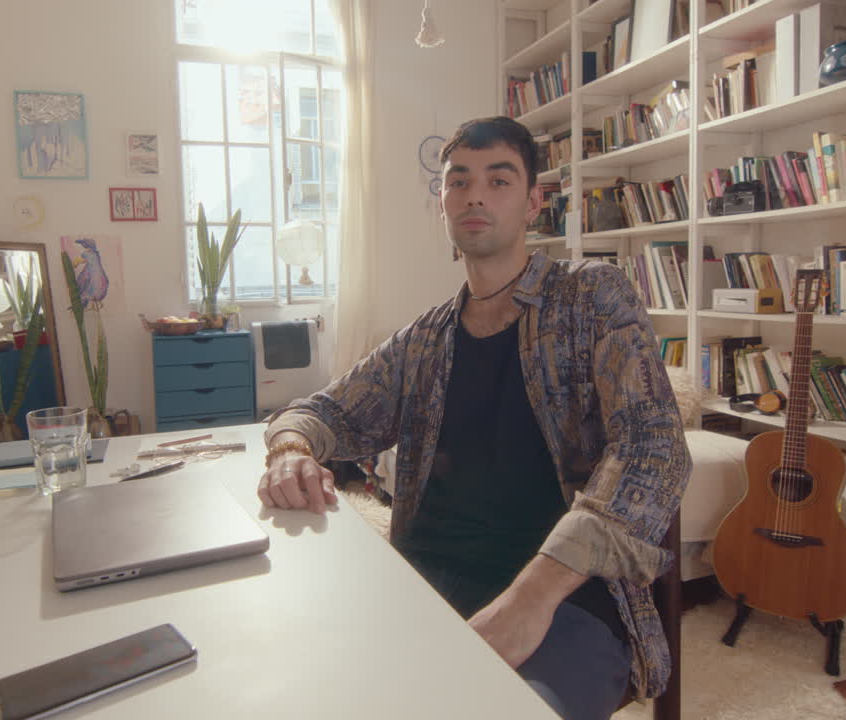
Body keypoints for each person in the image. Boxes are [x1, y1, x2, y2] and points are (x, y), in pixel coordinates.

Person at [257, 116, 690, 720]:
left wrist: (530, 598)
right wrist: (290, 449)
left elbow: (655, 446)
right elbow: (319, 410)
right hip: (423, 586)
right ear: (442, 204)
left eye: (499, 179)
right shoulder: (425, 339)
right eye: (457, 182)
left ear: (534, 201)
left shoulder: (592, 296)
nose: (475, 195)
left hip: (566, 599)